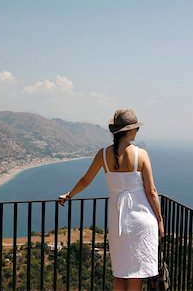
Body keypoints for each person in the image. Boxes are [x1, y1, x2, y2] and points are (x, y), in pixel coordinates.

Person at [58, 108, 164, 291]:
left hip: (118, 223)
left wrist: (69, 194)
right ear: (130, 130)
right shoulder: (141, 154)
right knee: (136, 275)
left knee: (120, 273)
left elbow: (86, 179)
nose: (137, 132)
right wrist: (160, 220)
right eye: (136, 129)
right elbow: (152, 191)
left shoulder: (103, 155)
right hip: (141, 221)